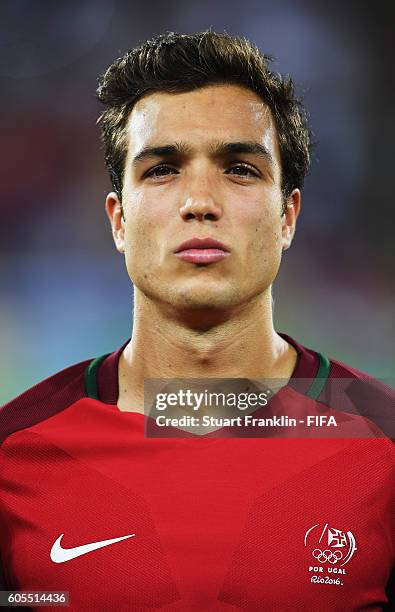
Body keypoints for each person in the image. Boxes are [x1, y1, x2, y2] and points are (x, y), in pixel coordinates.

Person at [0, 31, 393, 611]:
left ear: (288, 216)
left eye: (239, 168)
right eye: (162, 169)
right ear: (118, 220)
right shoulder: (13, 451)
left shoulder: (385, 439)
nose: (200, 201)